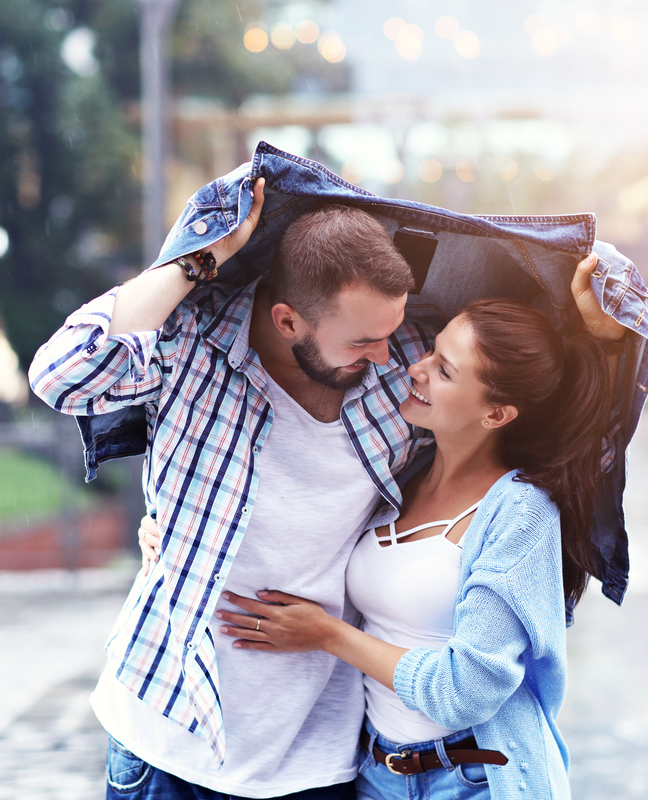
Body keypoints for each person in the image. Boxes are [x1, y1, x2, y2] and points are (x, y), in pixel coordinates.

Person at [31, 179, 427, 799]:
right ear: (287, 319)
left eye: (389, 334)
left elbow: (510, 425)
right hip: (171, 728)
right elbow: (62, 376)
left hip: (316, 752)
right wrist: (198, 258)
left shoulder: (401, 358)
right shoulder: (189, 344)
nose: (385, 356)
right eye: (361, 343)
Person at [205, 298, 611, 800]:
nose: (415, 369)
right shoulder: (399, 474)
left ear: (496, 413)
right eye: (431, 354)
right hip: (377, 774)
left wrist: (327, 635)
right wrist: (164, 523)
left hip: (473, 779)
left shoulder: (521, 515)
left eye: (443, 370)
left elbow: (466, 691)